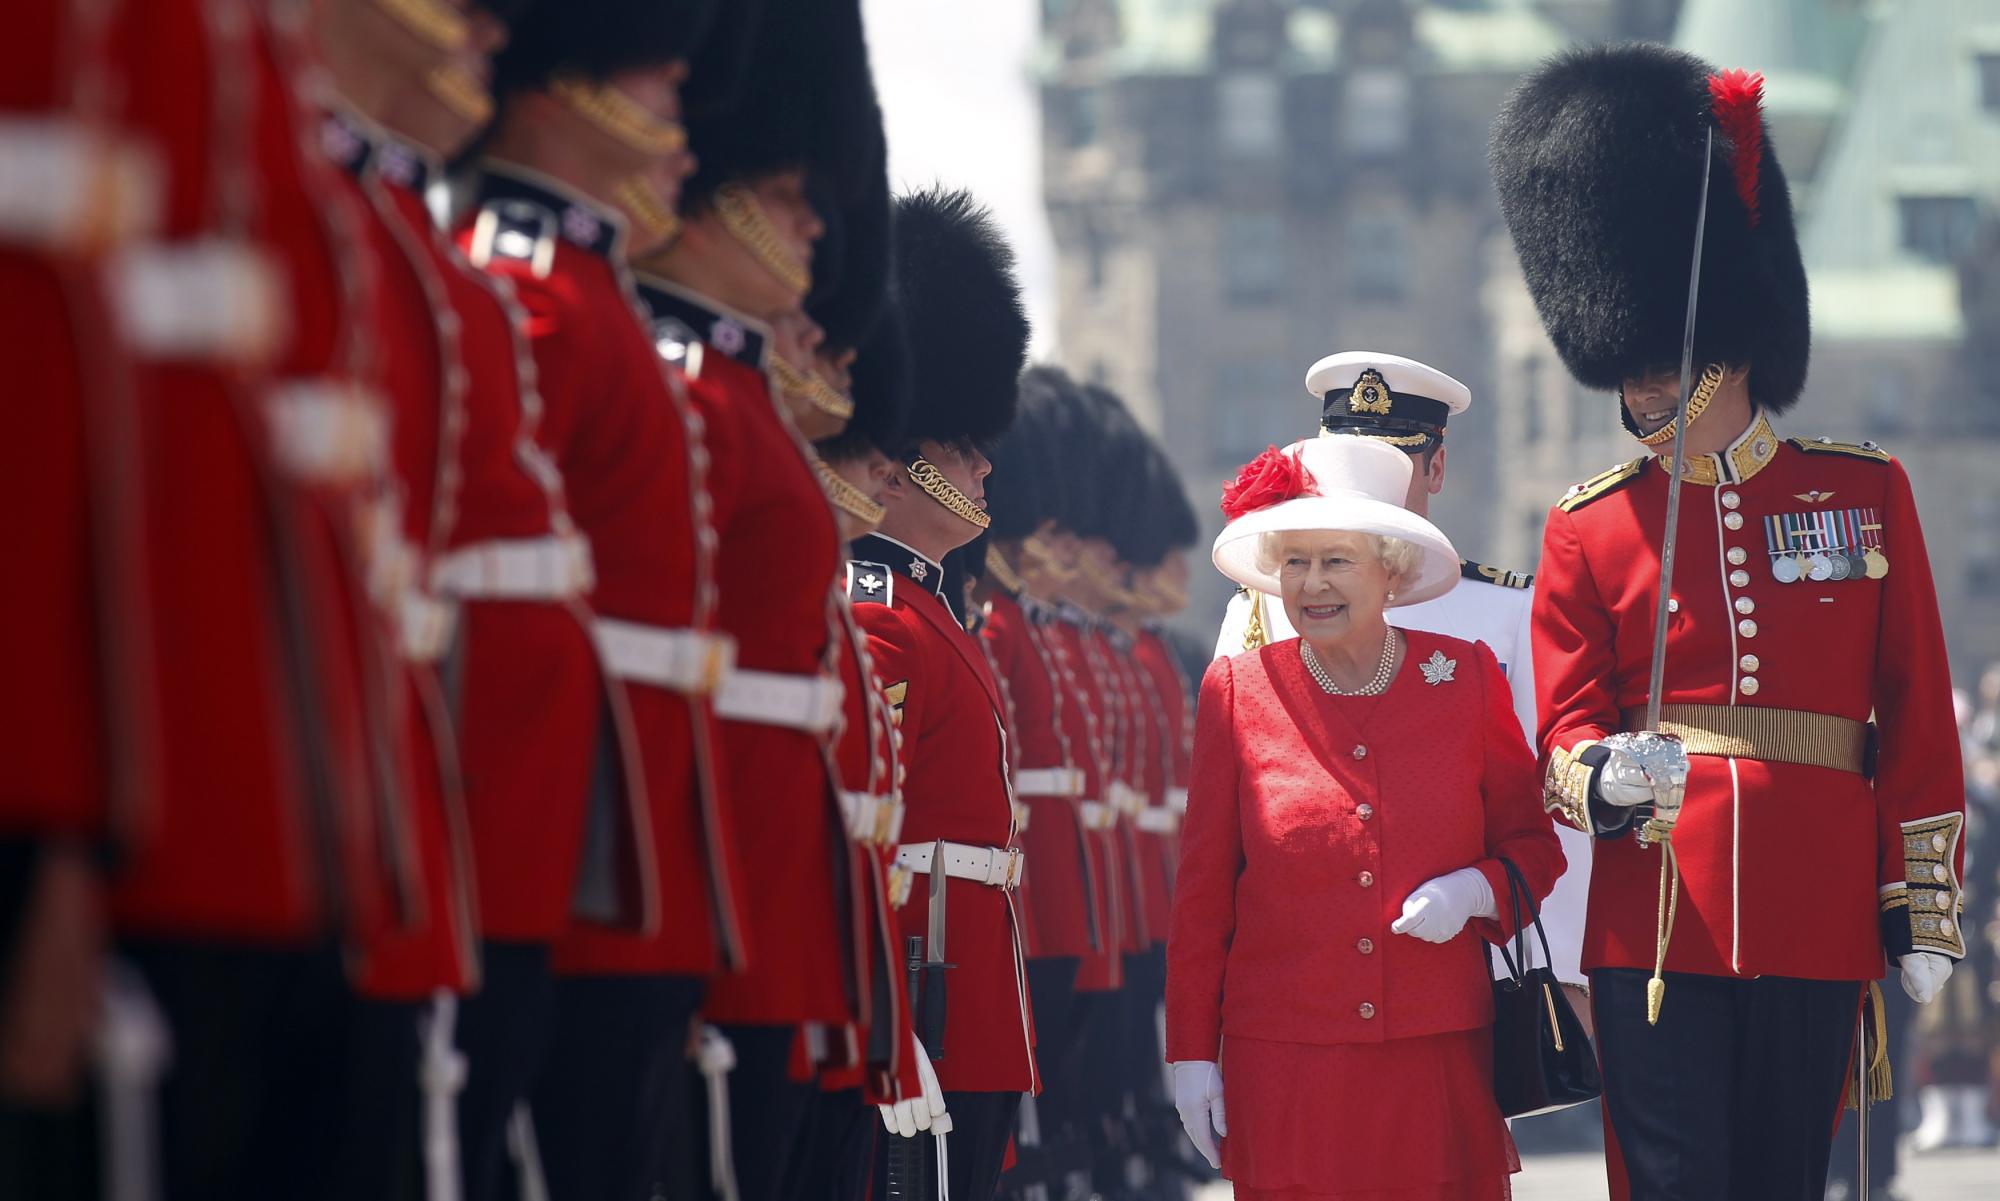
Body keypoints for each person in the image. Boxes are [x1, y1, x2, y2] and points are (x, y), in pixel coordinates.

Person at [1491, 44, 1967, 1201]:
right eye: (1633, 373)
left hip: (1814, 905)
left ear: (1729, 351)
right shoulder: (1589, 527)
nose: (1646, 393)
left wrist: (1920, 901)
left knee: (1780, 1181)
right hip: (1656, 913)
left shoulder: (1860, 493)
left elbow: (1907, 707)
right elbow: (1560, 726)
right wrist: (1592, 778)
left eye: (1666, 368)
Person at [458, 4, 746, 1195]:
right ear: (565, 83)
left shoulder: (589, 294)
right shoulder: (528, 278)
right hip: (542, 812)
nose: (676, 110)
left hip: (624, 818)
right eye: (652, 74)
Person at [1167, 435, 1564, 1201]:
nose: (1311, 583)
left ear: (1391, 568)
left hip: (1433, 1059)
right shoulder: (1236, 691)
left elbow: (1533, 848)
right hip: (1284, 1065)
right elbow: (1202, 897)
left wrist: (1475, 893)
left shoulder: (1466, 677)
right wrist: (1191, 1054)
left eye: (1336, 560)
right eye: (1295, 562)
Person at [1213, 351, 1591, 990]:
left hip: (1475, 955)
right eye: (1349, 463)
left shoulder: (1508, 612)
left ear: (1436, 467)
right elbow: (1226, 808)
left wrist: (1557, 968)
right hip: (1311, 955)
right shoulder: (1268, 608)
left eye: (1393, 463)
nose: (1364, 486)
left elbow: (1543, 802)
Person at [848, 185, 1035, 1199]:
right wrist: (885, 1027)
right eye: (961, 445)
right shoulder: (876, 607)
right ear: (908, 459)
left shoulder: (928, 608)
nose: (982, 461)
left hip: (970, 989)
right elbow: (864, 838)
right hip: (924, 993)